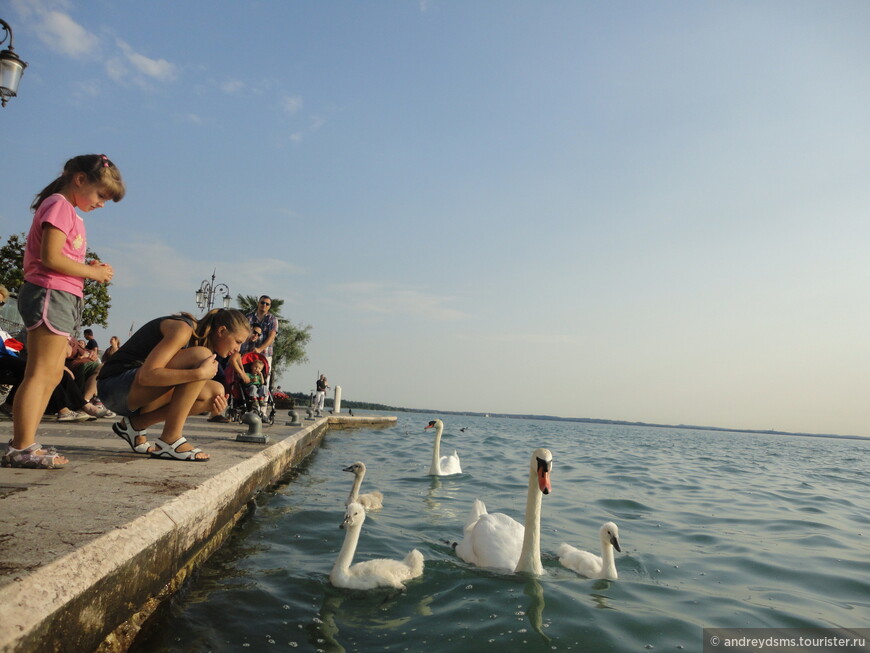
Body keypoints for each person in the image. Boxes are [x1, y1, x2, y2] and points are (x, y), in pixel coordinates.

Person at [3, 154, 123, 470]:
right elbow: (50, 258)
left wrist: (86, 269)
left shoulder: (68, 211)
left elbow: (61, 258)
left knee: (54, 372)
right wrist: (92, 272)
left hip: (62, 296)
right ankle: (20, 446)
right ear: (79, 179)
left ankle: (26, 442)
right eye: (100, 195)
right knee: (41, 371)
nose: (101, 204)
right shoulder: (59, 205)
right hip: (49, 293)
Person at [96, 308, 251, 461]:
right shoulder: (182, 329)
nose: (238, 349)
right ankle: (170, 440)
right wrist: (198, 373)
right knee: (202, 356)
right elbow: (147, 376)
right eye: (238, 342)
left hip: (133, 394)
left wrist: (213, 405)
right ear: (222, 331)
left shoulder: (199, 341)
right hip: (114, 386)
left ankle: (134, 426)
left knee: (215, 393)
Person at [245, 296, 278, 387]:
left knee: (264, 378)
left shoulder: (272, 319)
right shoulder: (249, 317)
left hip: (264, 354)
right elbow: (243, 333)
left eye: (267, 304)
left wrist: (259, 349)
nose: (264, 305)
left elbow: (271, 337)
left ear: (269, 306)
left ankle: (263, 399)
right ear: (258, 303)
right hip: (248, 352)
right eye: (262, 302)